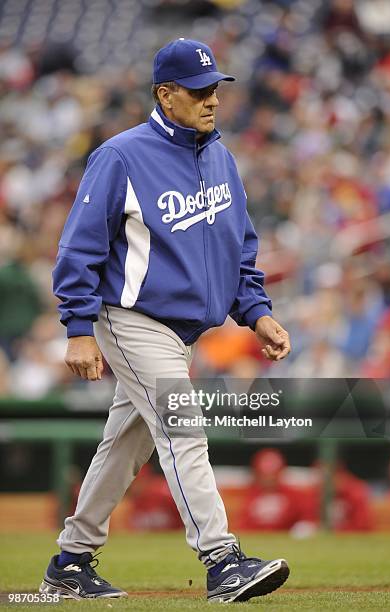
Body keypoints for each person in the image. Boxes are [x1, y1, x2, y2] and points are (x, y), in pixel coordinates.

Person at [39, 38, 291, 604]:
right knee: (183, 428)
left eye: (216, 89)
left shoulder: (219, 155)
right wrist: (78, 328)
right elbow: (77, 248)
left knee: (126, 445)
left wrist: (256, 312)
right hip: (129, 319)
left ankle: (70, 562)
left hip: (181, 333)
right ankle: (222, 559)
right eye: (199, 91)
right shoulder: (122, 156)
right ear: (165, 93)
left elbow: (238, 245)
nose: (211, 100)